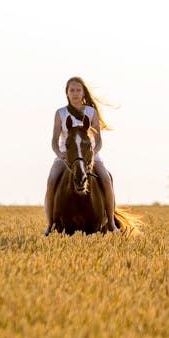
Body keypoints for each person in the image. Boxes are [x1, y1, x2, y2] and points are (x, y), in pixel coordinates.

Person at [44, 77, 118, 235]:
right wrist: (60, 154)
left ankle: (111, 222)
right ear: (67, 93)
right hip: (66, 155)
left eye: (78, 90)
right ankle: (49, 224)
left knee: (105, 178)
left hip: (89, 155)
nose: (75, 93)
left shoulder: (91, 113)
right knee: (51, 181)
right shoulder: (60, 113)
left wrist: (93, 155)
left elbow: (98, 141)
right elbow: (54, 140)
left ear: (83, 92)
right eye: (72, 90)